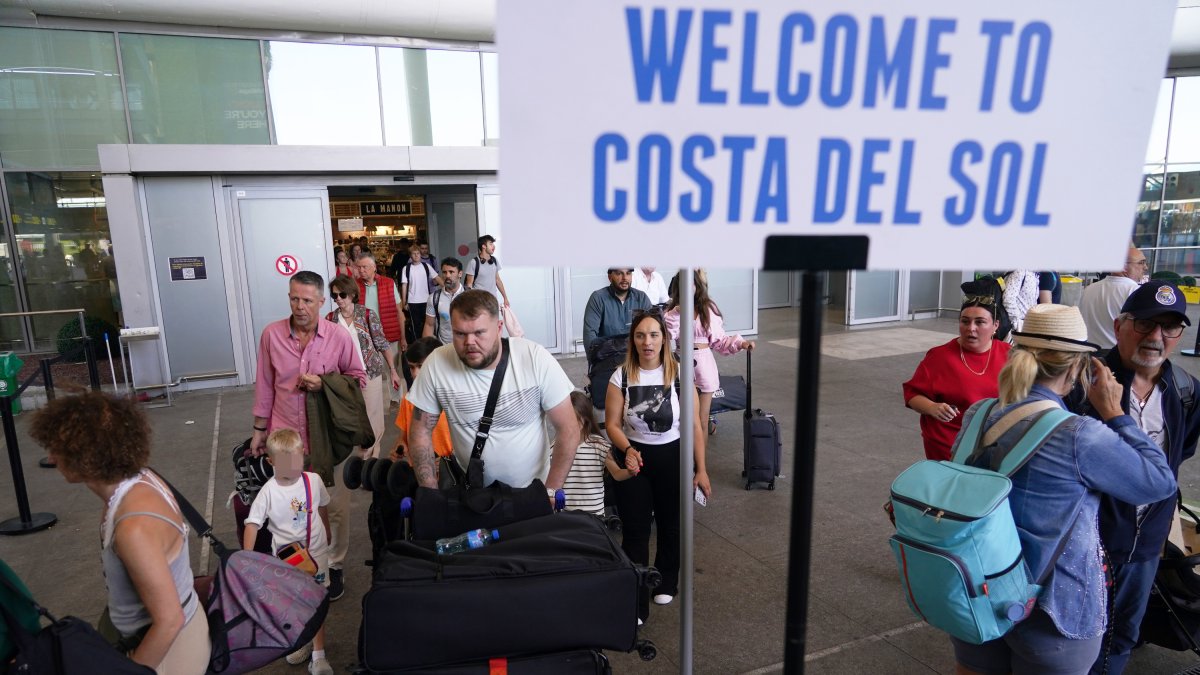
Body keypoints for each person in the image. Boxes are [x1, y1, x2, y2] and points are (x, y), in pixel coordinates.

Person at [949, 304, 1176, 675]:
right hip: (1053, 607)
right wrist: (1116, 414)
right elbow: (1159, 482)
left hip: (978, 590)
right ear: (1076, 367)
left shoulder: (980, 413)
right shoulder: (1079, 435)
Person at [29, 392, 210, 673]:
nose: (51, 458)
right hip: (165, 631)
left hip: (168, 650)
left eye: (58, 449)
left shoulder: (133, 528)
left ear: (86, 455)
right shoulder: (142, 478)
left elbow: (169, 620)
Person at [1081, 282, 1200, 675]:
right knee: (1074, 635)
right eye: (1145, 324)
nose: (1156, 337)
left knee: (1122, 635)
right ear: (1119, 326)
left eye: (1169, 328)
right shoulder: (1083, 382)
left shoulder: (1185, 390)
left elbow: (1178, 454)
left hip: (1145, 545)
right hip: (1085, 542)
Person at [251, 270, 365, 603]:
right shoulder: (271, 335)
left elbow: (357, 378)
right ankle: (298, 566)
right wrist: (259, 431)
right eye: (294, 299)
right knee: (291, 508)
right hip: (285, 437)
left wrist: (324, 382)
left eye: (306, 300)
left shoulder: (338, 336)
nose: (299, 306)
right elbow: (264, 386)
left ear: (320, 301)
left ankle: (334, 563)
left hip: (327, 438)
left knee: (333, 506)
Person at [405, 290, 579, 493]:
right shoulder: (437, 363)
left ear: (499, 328)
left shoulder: (534, 358)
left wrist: (550, 492)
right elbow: (420, 432)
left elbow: (568, 429)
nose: (469, 342)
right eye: (460, 334)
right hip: (471, 493)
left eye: (479, 333)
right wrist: (430, 493)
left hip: (531, 493)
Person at [605, 309, 711, 624]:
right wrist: (627, 449)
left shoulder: (678, 373)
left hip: (673, 457)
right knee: (635, 530)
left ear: (663, 339)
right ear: (633, 340)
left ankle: (667, 580)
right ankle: (637, 596)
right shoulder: (620, 376)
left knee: (671, 525)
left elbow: (694, 426)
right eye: (640, 335)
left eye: (653, 335)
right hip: (635, 459)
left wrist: (701, 469)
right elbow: (611, 424)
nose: (647, 342)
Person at [242, 429, 333, 675]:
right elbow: (252, 524)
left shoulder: (313, 480)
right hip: (286, 562)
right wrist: (246, 559)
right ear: (271, 462)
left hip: (316, 556)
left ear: (302, 454)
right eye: (286, 463)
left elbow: (322, 505)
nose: (294, 467)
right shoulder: (268, 492)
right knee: (293, 605)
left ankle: (319, 654)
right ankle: (303, 641)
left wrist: (326, 530)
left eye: (297, 459)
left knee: (317, 603)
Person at [903, 295, 1013, 461]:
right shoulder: (939, 356)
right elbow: (912, 395)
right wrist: (932, 407)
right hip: (949, 443)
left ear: (995, 325)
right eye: (965, 321)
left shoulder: (1010, 354)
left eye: (980, 322)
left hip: (996, 441)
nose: (971, 328)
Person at [664, 269, 754, 435]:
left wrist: (741, 343)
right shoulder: (673, 312)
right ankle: (683, 458)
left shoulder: (708, 309)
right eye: (683, 285)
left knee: (702, 419)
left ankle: (700, 460)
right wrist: (678, 310)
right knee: (682, 417)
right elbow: (669, 334)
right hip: (680, 362)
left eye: (691, 284)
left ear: (697, 286)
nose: (688, 288)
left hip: (704, 362)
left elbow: (720, 341)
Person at [325, 274, 400, 459]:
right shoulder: (330, 319)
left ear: (352, 293)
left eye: (342, 295)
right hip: (344, 376)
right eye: (334, 296)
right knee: (351, 415)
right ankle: (363, 451)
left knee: (372, 414)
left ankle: (369, 456)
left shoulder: (366, 314)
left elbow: (382, 343)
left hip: (369, 372)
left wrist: (392, 370)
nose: (338, 300)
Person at [564, 390, 632, 515]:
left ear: (585, 419)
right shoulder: (556, 447)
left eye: (574, 419)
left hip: (595, 514)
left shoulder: (599, 446)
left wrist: (630, 472)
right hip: (567, 515)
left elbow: (616, 474)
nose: (569, 425)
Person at [391, 336, 453, 462]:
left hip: (452, 476)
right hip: (418, 474)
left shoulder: (455, 401)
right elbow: (403, 437)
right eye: (411, 367)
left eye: (421, 366)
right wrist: (400, 445)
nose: (415, 373)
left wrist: (447, 462)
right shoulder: (408, 400)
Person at [355, 252, 406, 401]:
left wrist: (403, 337)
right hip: (365, 336)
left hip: (389, 334)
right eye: (359, 267)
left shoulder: (388, 283)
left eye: (364, 267)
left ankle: (396, 400)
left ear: (374, 267)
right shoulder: (355, 285)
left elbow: (399, 311)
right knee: (369, 372)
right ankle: (372, 401)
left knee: (392, 368)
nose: (361, 270)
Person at [1079, 244, 1147, 352]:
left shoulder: (1089, 289)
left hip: (1088, 354)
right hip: (1117, 357)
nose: (1145, 267)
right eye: (1141, 263)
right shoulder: (1135, 291)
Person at [582, 267, 652, 356]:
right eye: (619, 273)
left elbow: (652, 328)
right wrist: (595, 361)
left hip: (636, 357)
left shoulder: (641, 298)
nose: (625, 278)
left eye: (628, 273)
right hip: (607, 357)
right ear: (610, 277)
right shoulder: (598, 298)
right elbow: (589, 335)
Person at [399, 246, 440, 342]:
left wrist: (447, 288)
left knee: (429, 324)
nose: (416, 255)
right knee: (416, 327)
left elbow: (437, 278)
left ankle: (430, 344)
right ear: (410, 256)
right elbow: (404, 286)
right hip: (413, 302)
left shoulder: (426, 266)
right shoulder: (406, 268)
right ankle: (419, 346)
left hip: (427, 300)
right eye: (414, 253)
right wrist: (404, 302)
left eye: (418, 253)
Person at [423, 257, 466, 344]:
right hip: (444, 347)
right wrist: (427, 351)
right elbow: (429, 325)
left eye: (451, 272)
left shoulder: (471, 296)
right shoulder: (434, 298)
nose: (447, 276)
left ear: (460, 274)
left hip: (466, 347)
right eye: (444, 272)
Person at [464, 234, 510, 308]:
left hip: (493, 301)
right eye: (491, 244)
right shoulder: (474, 262)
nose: (493, 246)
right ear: (483, 246)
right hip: (479, 302)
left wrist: (505, 298)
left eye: (493, 244)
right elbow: (469, 285)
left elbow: (498, 280)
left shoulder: (494, 260)